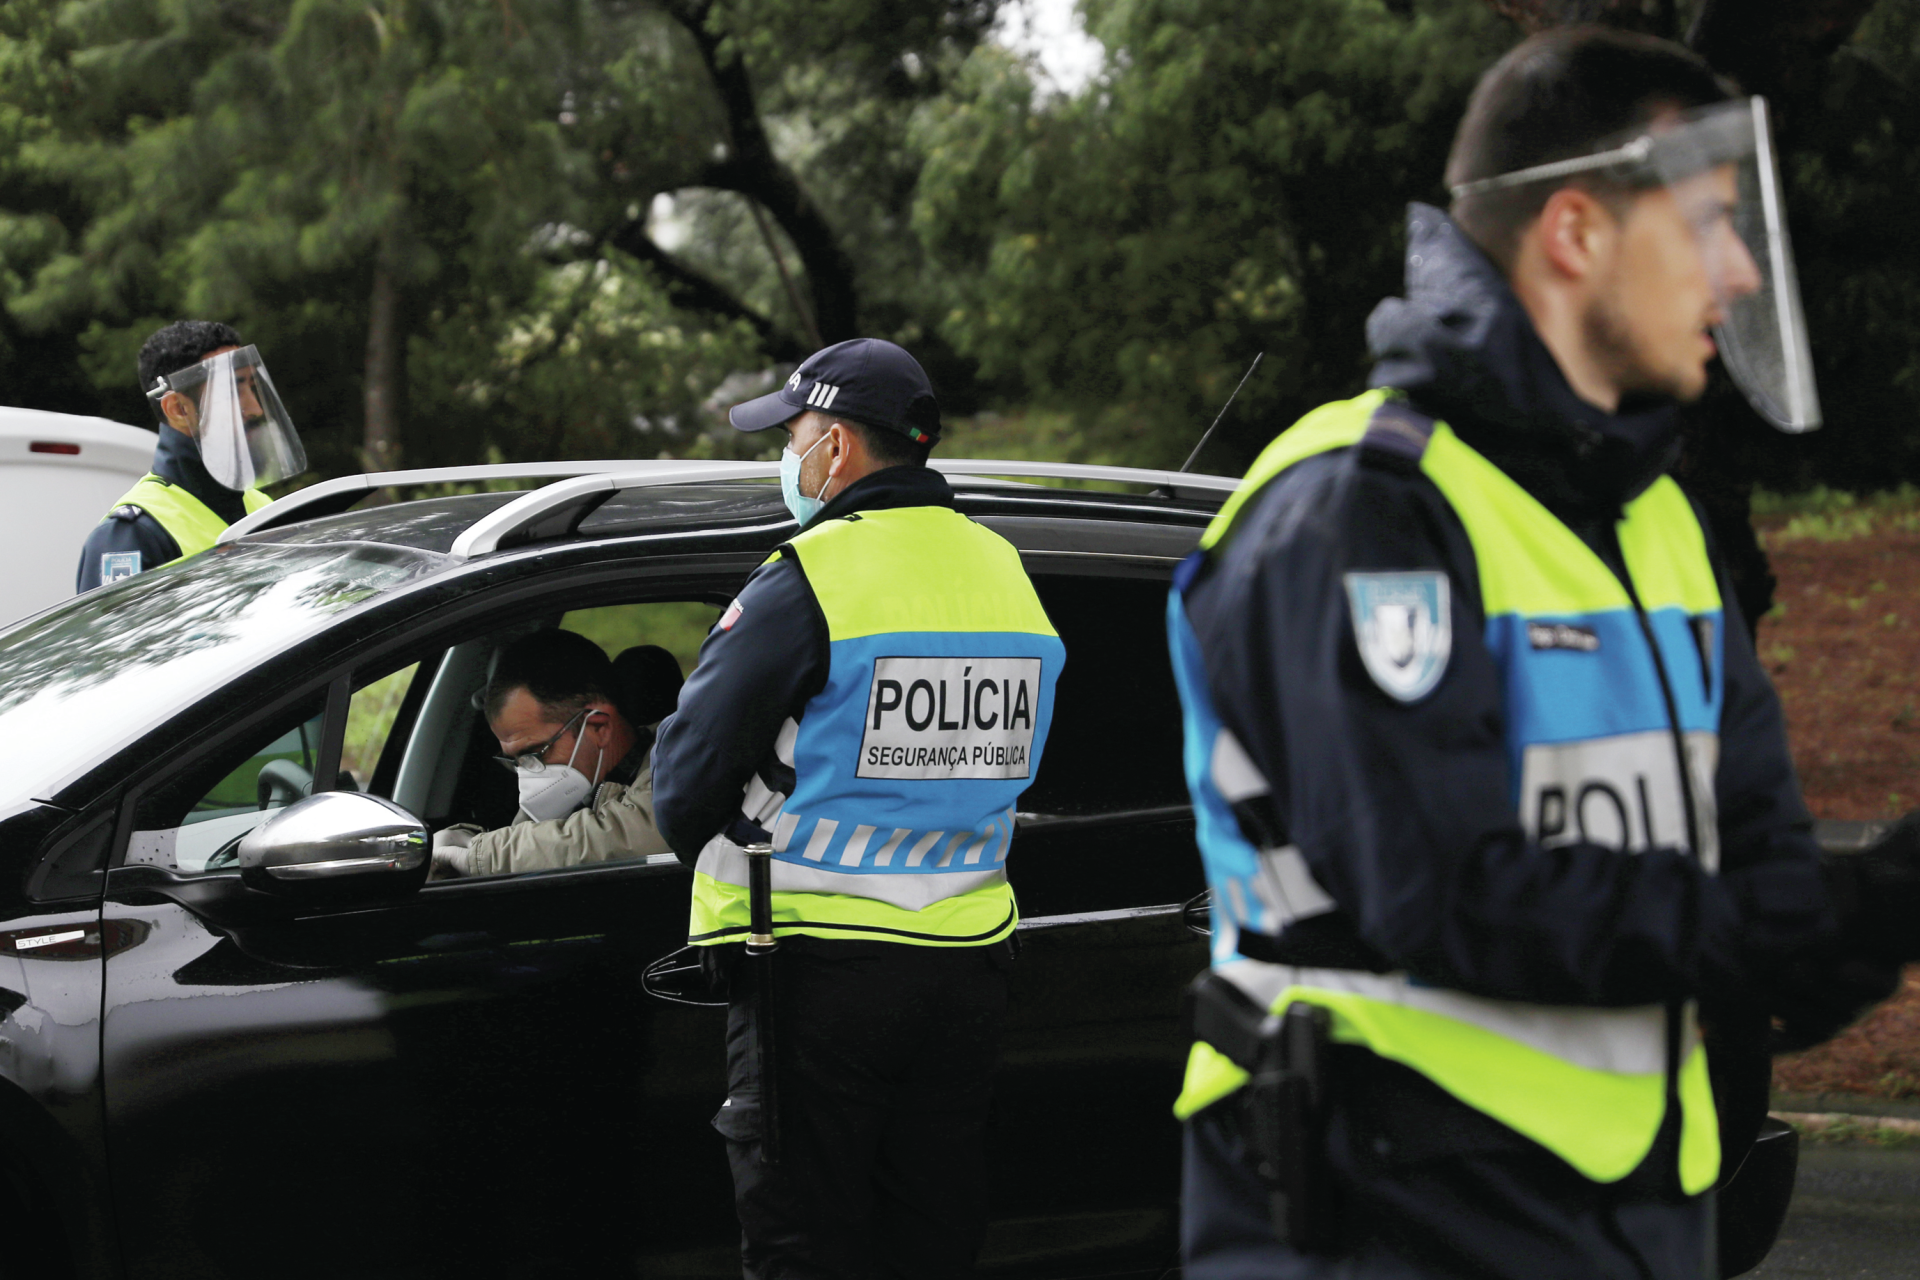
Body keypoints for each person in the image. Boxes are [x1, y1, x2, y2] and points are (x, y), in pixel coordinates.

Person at [1167, 27, 1912, 1280]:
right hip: (1385, 1211)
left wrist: (1880, 900)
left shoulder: (1661, 515)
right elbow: (1447, 892)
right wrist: (1803, 921)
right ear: (1577, 233)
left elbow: (1763, 886)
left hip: (1640, 1208)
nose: (1736, 273)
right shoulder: (1357, 507)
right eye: (1707, 224)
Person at [650, 338, 1066, 1279]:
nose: (787, 458)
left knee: (807, 1247)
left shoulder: (816, 573)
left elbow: (685, 784)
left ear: (835, 449)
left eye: (792, 435)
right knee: (929, 1240)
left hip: (818, 977)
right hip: (967, 972)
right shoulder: (1005, 571)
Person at [77, 320, 307, 592]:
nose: (255, 408)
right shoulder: (131, 536)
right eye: (233, 390)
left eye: (252, 388)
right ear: (177, 408)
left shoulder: (261, 504)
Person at [430, 629, 672, 878]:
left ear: (599, 727)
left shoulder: (678, 762)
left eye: (535, 754)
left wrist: (479, 854)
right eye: (514, 762)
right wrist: (461, 843)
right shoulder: (563, 797)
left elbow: (635, 836)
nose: (526, 774)